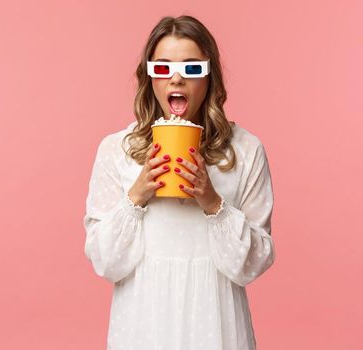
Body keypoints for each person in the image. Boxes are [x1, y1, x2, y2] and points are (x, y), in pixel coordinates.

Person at [83, 15, 276, 350]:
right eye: (162, 68)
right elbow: (105, 261)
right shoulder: (116, 149)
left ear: (209, 76)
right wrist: (137, 195)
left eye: (191, 68)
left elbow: (253, 264)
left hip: (217, 323)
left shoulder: (245, 150)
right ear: (149, 77)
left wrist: (213, 202)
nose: (176, 79)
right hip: (143, 321)